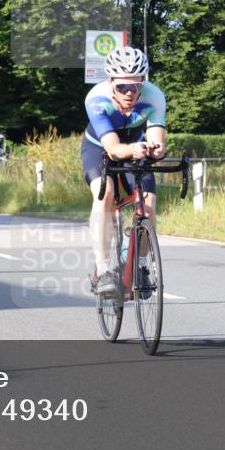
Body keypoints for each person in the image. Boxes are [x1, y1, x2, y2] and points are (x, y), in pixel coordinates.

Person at [82, 46, 166, 296]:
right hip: (99, 148)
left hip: (136, 146)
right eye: (122, 87)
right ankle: (104, 269)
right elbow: (114, 149)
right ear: (111, 83)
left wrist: (156, 149)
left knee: (148, 203)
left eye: (135, 86)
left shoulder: (155, 96)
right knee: (105, 193)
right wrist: (135, 149)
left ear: (144, 82)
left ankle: (140, 267)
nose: (130, 93)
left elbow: (157, 139)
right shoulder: (96, 99)